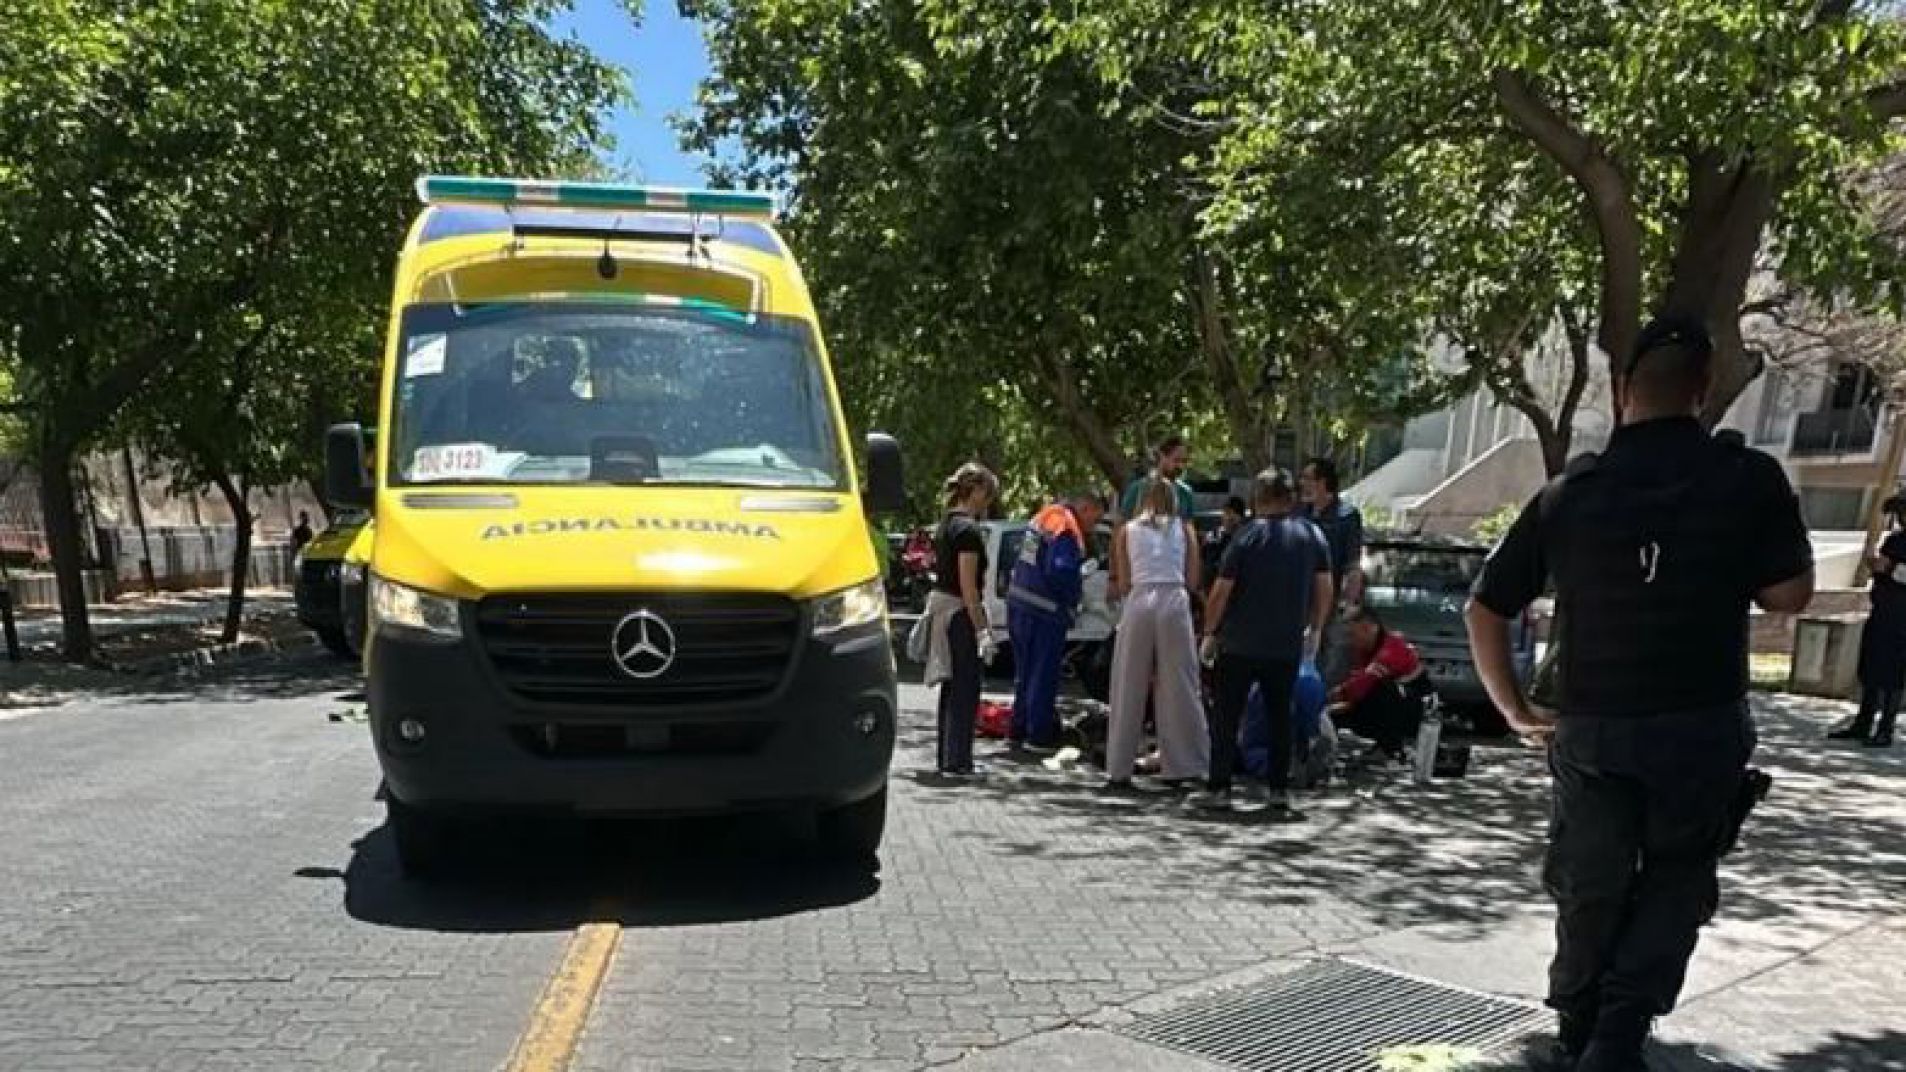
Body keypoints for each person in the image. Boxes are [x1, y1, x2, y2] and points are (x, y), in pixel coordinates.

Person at [1465, 316, 1814, 1071]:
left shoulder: (1573, 493)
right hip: (1701, 725)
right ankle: (1618, 1033)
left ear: (1622, 392)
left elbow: (1484, 605)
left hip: (1594, 725)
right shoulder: (1747, 479)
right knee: (1676, 877)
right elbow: (1791, 595)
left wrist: (1515, 709)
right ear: (1703, 389)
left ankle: (1576, 1021)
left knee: (1588, 877)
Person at [1194, 469, 1333, 814]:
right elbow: (1325, 587)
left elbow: (1221, 591)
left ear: (1258, 498)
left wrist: (1210, 632)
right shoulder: (1312, 536)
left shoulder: (1245, 537)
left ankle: (1220, 787)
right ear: (1292, 497)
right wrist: (1315, 626)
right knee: (1280, 716)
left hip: (1239, 642)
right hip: (1285, 644)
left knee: (1227, 716)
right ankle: (1277, 789)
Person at [1103, 478, 1208, 792]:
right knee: (1180, 684)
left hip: (1140, 598)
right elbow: (1192, 578)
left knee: (1128, 683)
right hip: (1173, 599)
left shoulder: (1127, 531)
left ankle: (1119, 766)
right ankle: (1184, 764)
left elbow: (1123, 582)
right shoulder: (1184, 530)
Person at [1007, 490, 1107, 751]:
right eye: (1095, 519)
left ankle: (1018, 728)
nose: (1092, 527)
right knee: (1043, 674)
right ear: (1085, 508)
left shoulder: (1044, 517)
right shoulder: (1066, 528)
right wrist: (1075, 594)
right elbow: (1061, 569)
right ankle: (1038, 735)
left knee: (1024, 673)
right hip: (1044, 611)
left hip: (1019, 603)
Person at [923, 462, 999, 777]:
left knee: (950, 686)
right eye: (988, 496)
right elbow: (969, 586)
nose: (988, 504)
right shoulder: (968, 531)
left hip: (942, 608)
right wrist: (982, 629)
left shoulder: (945, 526)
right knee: (966, 686)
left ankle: (948, 755)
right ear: (977, 491)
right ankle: (959, 760)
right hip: (958, 612)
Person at [1830, 494, 1906, 747]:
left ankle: (1885, 728)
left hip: (1901, 618)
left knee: (1893, 673)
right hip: (1882, 611)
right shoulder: (1894, 540)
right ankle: (1863, 722)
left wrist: (1890, 568)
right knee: (1870, 666)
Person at [1327, 606, 1433, 762]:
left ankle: (1391, 749)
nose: (1351, 640)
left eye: (1353, 634)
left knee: (1380, 687)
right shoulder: (1365, 651)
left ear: (1368, 628)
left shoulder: (1391, 648)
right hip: (1396, 704)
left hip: (1415, 711)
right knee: (1334, 714)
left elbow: (1361, 685)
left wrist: (1330, 697)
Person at [1296, 457, 1365, 684]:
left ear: (1323, 482)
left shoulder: (1346, 516)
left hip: (1331, 602)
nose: (1302, 483)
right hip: (1299, 599)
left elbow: (1353, 564)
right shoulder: (1300, 513)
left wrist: (1348, 601)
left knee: (1328, 661)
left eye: (1307, 478)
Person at [1120, 433, 1196, 521]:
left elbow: (1188, 526)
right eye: (1176, 460)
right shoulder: (1138, 489)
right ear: (1162, 456)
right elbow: (1121, 526)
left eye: (1184, 461)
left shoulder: (1185, 492)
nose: (1180, 466)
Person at [1201, 496, 1247, 592]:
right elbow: (1204, 565)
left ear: (1241, 517)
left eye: (1234, 514)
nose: (1229, 517)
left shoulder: (1245, 539)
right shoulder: (1212, 537)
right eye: (1227, 513)